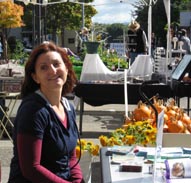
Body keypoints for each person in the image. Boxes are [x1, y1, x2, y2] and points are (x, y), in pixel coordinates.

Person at [8, 41, 84, 183]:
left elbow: (71, 157)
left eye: (56, 64)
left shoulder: (68, 107)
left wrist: (78, 180)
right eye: (44, 68)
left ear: (66, 69)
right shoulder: (33, 111)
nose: (52, 71)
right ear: (35, 77)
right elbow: (31, 169)